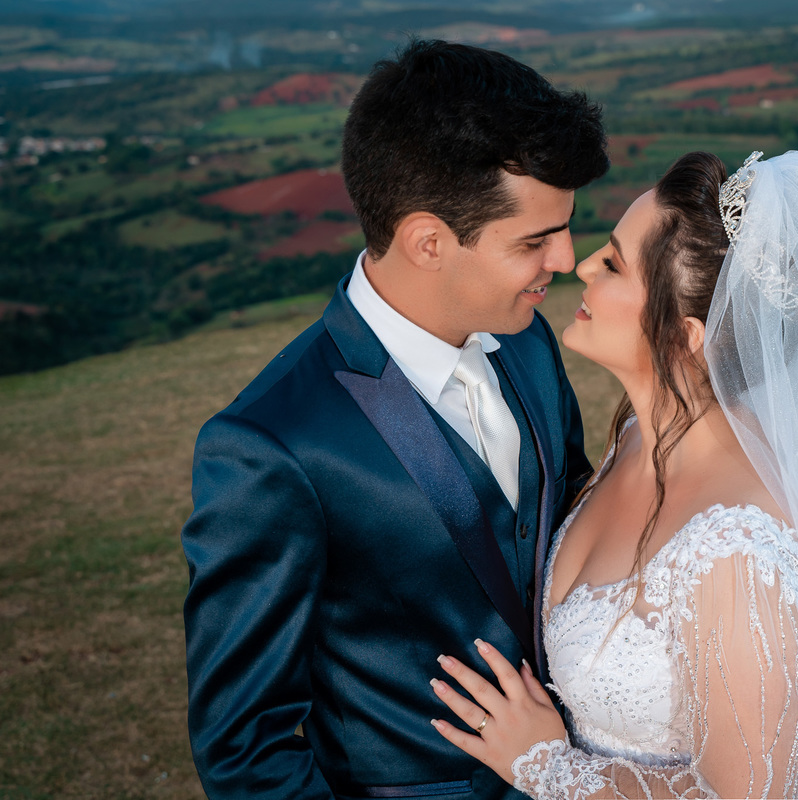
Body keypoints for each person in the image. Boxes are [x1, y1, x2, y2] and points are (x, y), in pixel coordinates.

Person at [426, 150, 798, 799]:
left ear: (686, 336)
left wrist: (545, 766)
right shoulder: (635, 437)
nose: (582, 266)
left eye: (613, 264)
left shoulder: (736, 546)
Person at [180, 39, 608, 799]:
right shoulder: (270, 448)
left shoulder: (528, 340)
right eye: (535, 240)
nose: (568, 258)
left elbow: (579, 524)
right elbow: (245, 747)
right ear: (428, 241)